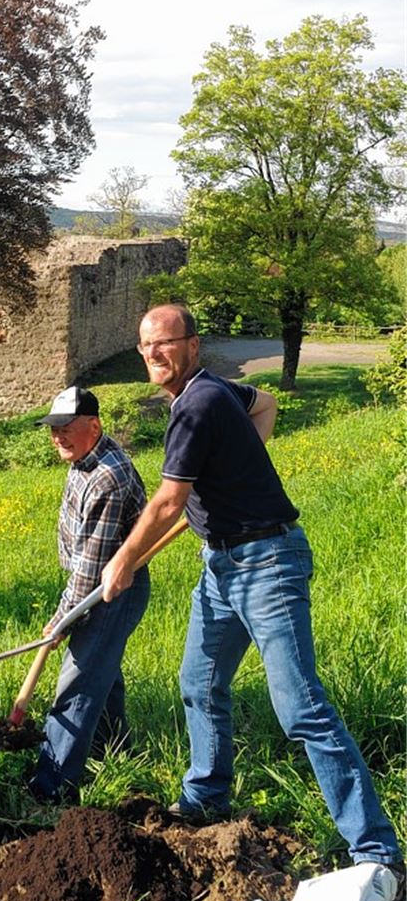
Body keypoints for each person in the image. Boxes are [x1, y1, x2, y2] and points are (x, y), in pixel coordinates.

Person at [101, 304, 402, 871]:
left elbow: (167, 500)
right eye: (144, 346)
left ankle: (376, 849)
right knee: (199, 682)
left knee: (301, 707)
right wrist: (235, 466)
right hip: (221, 567)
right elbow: (267, 403)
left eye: (163, 343)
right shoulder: (220, 394)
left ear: (193, 344)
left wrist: (123, 561)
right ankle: (206, 796)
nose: (153, 354)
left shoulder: (198, 403)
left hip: (267, 562)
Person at [27, 386, 149, 805]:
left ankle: (51, 786)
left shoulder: (107, 478)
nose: (57, 436)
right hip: (96, 584)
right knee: (103, 673)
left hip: (113, 590)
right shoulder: (83, 459)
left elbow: (91, 569)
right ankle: (113, 752)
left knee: (78, 680)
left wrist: (62, 620)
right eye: (53, 429)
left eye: (66, 428)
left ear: (93, 426)